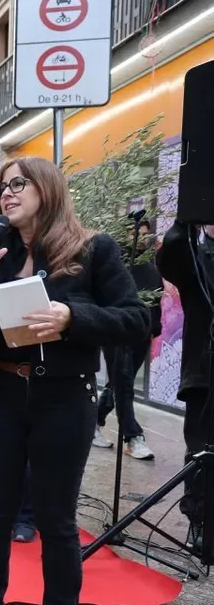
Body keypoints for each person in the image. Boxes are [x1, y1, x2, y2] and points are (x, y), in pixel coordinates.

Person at [0, 157, 149, 605]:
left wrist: (73, 318)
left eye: (18, 183)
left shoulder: (93, 249)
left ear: (47, 188)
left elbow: (136, 319)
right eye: (2, 187)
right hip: (0, 395)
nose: (7, 193)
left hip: (64, 398)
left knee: (56, 520)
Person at [156, 220, 214, 554]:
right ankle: (200, 522)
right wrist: (186, 218)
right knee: (202, 453)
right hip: (204, 375)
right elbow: (171, 257)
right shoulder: (194, 251)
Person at [93, 216, 160, 460]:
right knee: (124, 384)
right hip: (117, 335)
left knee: (120, 383)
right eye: (135, 232)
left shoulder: (150, 267)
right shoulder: (116, 265)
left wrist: (155, 328)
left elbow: (156, 299)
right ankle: (132, 437)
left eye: (145, 233)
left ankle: (94, 421)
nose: (140, 238)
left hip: (142, 335)